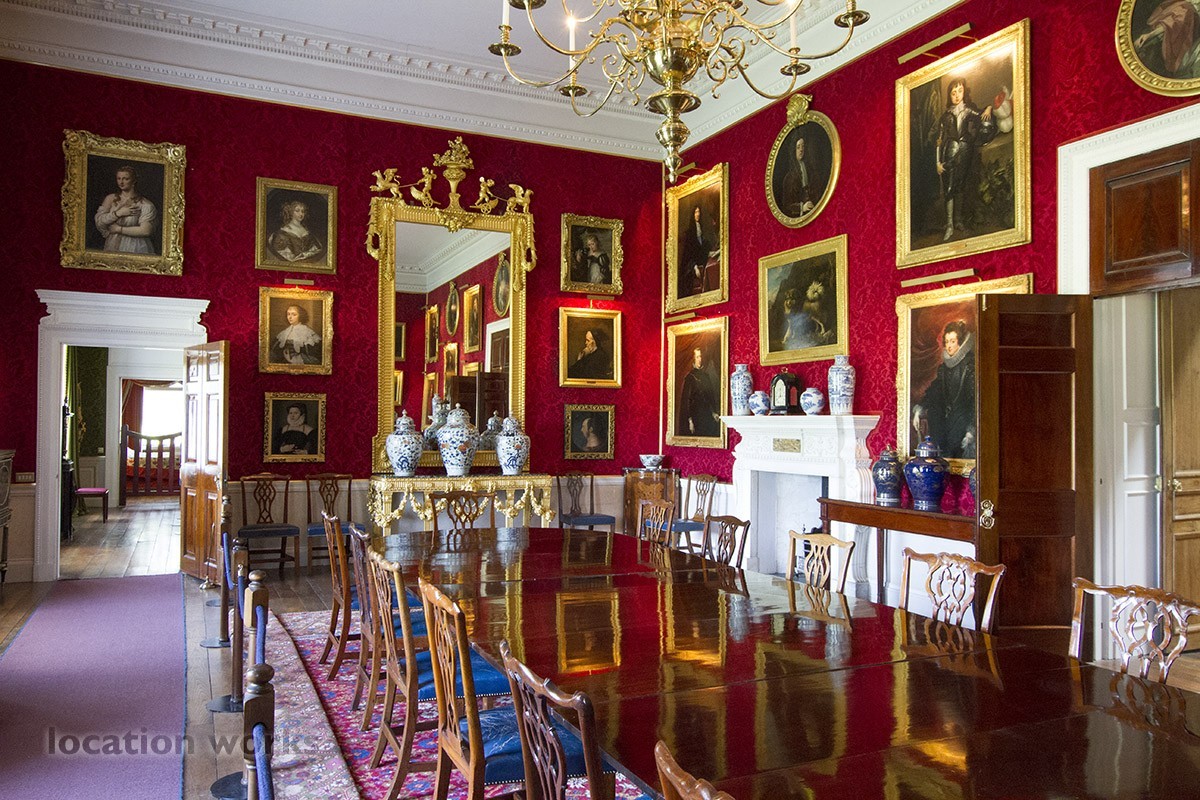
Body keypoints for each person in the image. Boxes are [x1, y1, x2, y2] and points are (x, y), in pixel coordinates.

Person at [933, 77, 996, 243]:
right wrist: (937, 162)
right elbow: (939, 140)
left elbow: (981, 115)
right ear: (949, 95)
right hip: (949, 151)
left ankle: (958, 221)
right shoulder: (945, 116)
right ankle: (949, 224)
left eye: (959, 91)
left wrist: (989, 108)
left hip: (965, 150)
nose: (956, 95)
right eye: (953, 92)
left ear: (964, 92)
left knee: (960, 185)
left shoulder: (968, 110)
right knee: (949, 187)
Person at [911, 319, 976, 458]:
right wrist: (920, 408)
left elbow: (975, 401)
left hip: (963, 421)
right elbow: (934, 390)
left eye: (953, 341)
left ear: (960, 342)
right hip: (946, 421)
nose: (949, 346)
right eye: (946, 342)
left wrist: (971, 430)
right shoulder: (944, 368)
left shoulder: (970, 366)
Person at [93, 164, 158, 254]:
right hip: (113, 244)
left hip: (136, 246)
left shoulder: (145, 204)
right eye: (119, 178)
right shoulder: (110, 199)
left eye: (126, 179)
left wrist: (119, 229)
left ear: (134, 180)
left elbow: (146, 231)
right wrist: (118, 213)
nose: (121, 182)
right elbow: (99, 222)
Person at [1134, 1, 1200, 79]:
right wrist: (1150, 35)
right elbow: (1170, 24)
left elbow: (1173, 24)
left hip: (1170, 49)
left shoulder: (1186, 10)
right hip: (1158, 42)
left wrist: (1150, 35)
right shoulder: (1178, 6)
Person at [678, 346, 720, 437]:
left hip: (707, 415)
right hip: (695, 417)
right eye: (697, 357)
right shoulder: (690, 377)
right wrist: (690, 421)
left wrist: (714, 413)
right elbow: (687, 401)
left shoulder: (706, 376)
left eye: (700, 356)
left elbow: (710, 396)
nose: (700, 359)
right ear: (693, 359)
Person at [679, 205, 716, 298]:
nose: (698, 214)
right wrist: (694, 267)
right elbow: (688, 254)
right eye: (696, 212)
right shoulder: (690, 233)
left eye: (699, 212)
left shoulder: (700, 229)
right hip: (690, 266)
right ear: (693, 214)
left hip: (700, 262)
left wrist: (708, 253)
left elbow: (701, 250)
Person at [779, 133, 818, 218]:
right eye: (798, 147)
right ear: (794, 150)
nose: (801, 150)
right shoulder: (789, 178)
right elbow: (786, 206)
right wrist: (802, 207)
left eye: (803, 147)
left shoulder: (810, 170)